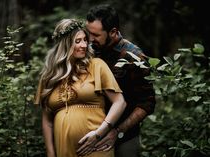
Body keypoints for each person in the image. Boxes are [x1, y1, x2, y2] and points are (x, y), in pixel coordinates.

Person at [34, 18, 127, 157]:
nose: (84, 45)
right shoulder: (49, 76)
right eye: (77, 41)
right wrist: (50, 153)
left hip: (97, 145)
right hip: (64, 149)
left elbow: (120, 102)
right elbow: (47, 121)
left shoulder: (96, 65)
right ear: (65, 44)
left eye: (85, 40)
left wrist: (98, 134)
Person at [77, 4, 156, 157]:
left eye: (96, 35)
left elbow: (147, 103)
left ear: (113, 32)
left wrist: (117, 131)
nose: (90, 40)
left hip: (123, 136)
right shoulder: (89, 50)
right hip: (90, 130)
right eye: (89, 33)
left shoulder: (134, 57)